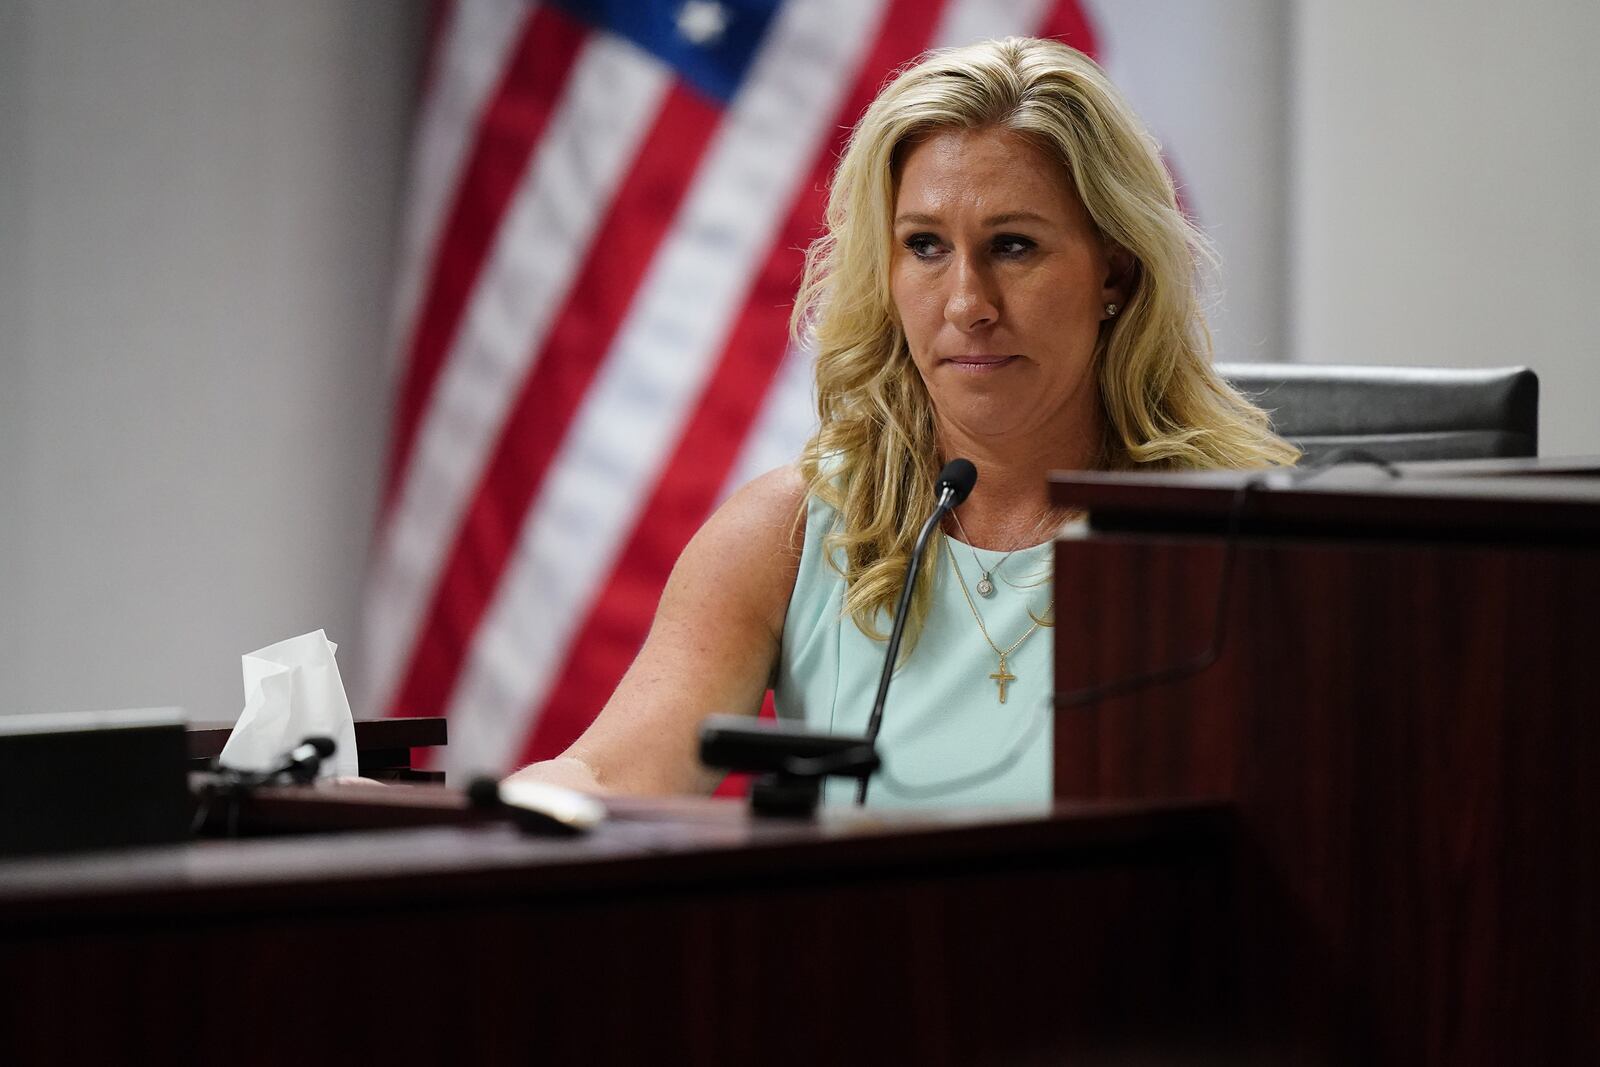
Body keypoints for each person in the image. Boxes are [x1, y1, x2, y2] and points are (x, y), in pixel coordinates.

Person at [507, 37, 1296, 806]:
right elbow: (611, 775)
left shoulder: (1237, 541)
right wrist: (499, 805)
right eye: (924, 246)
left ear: (1114, 271)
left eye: (1013, 246)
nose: (966, 304)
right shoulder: (789, 533)